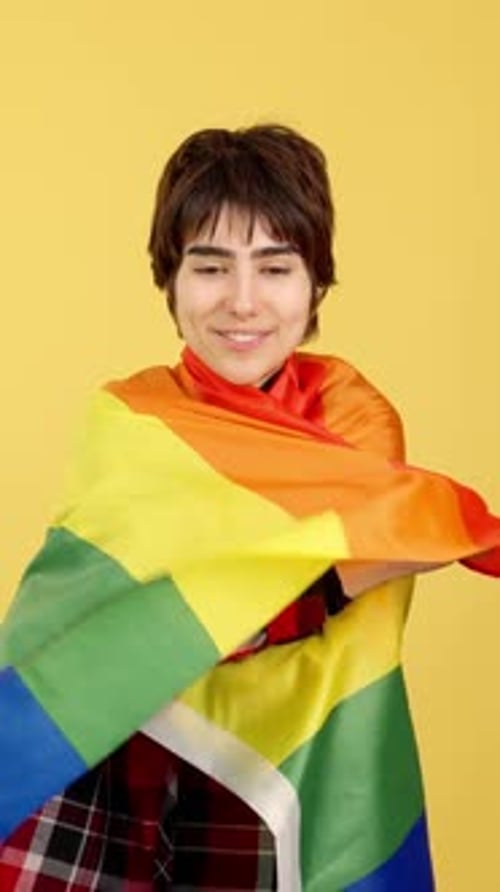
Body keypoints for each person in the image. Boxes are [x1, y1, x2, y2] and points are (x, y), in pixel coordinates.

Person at [0, 125, 498, 892]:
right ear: (169, 280)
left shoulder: (356, 430)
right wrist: (333, 580)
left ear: (316, 284)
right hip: (112, 782)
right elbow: (107, 634)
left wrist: (338, 573)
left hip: (272, 797)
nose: (242, 302)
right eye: (209, 266)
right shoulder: (131, 424)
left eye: (275, 267)